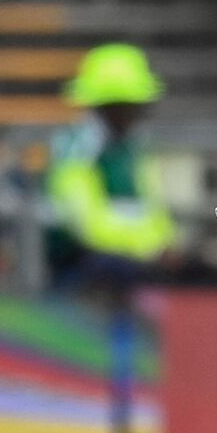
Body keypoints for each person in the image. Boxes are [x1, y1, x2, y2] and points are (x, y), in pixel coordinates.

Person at [46, 43, 177, 291]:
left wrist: (166, 248)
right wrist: (148, 250)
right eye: (125, 107)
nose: (132, 116)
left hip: (132, 261)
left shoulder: (133, 150)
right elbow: (86, 227)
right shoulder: (76, 151)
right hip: (77, 269)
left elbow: (155, 211)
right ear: (104, 108)